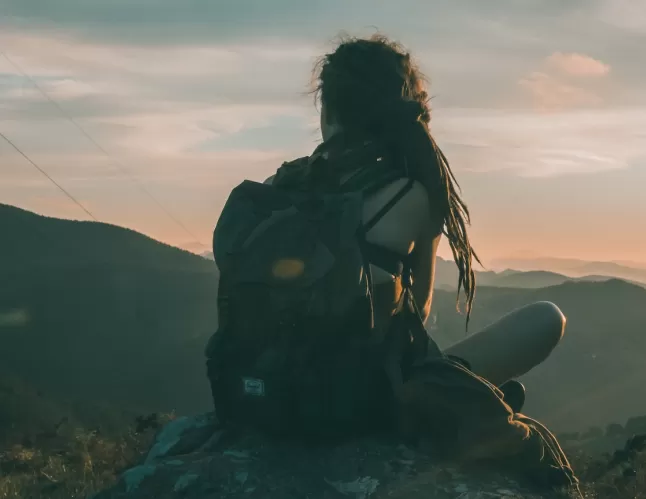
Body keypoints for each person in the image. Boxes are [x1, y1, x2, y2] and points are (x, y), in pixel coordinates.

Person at [205, 34, 578, 492]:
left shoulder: (275, 188)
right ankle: (475, 405)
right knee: (545, 319)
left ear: (327, 110)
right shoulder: (409, 195)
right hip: (359, 406)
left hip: (257, 398)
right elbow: (418, 311)